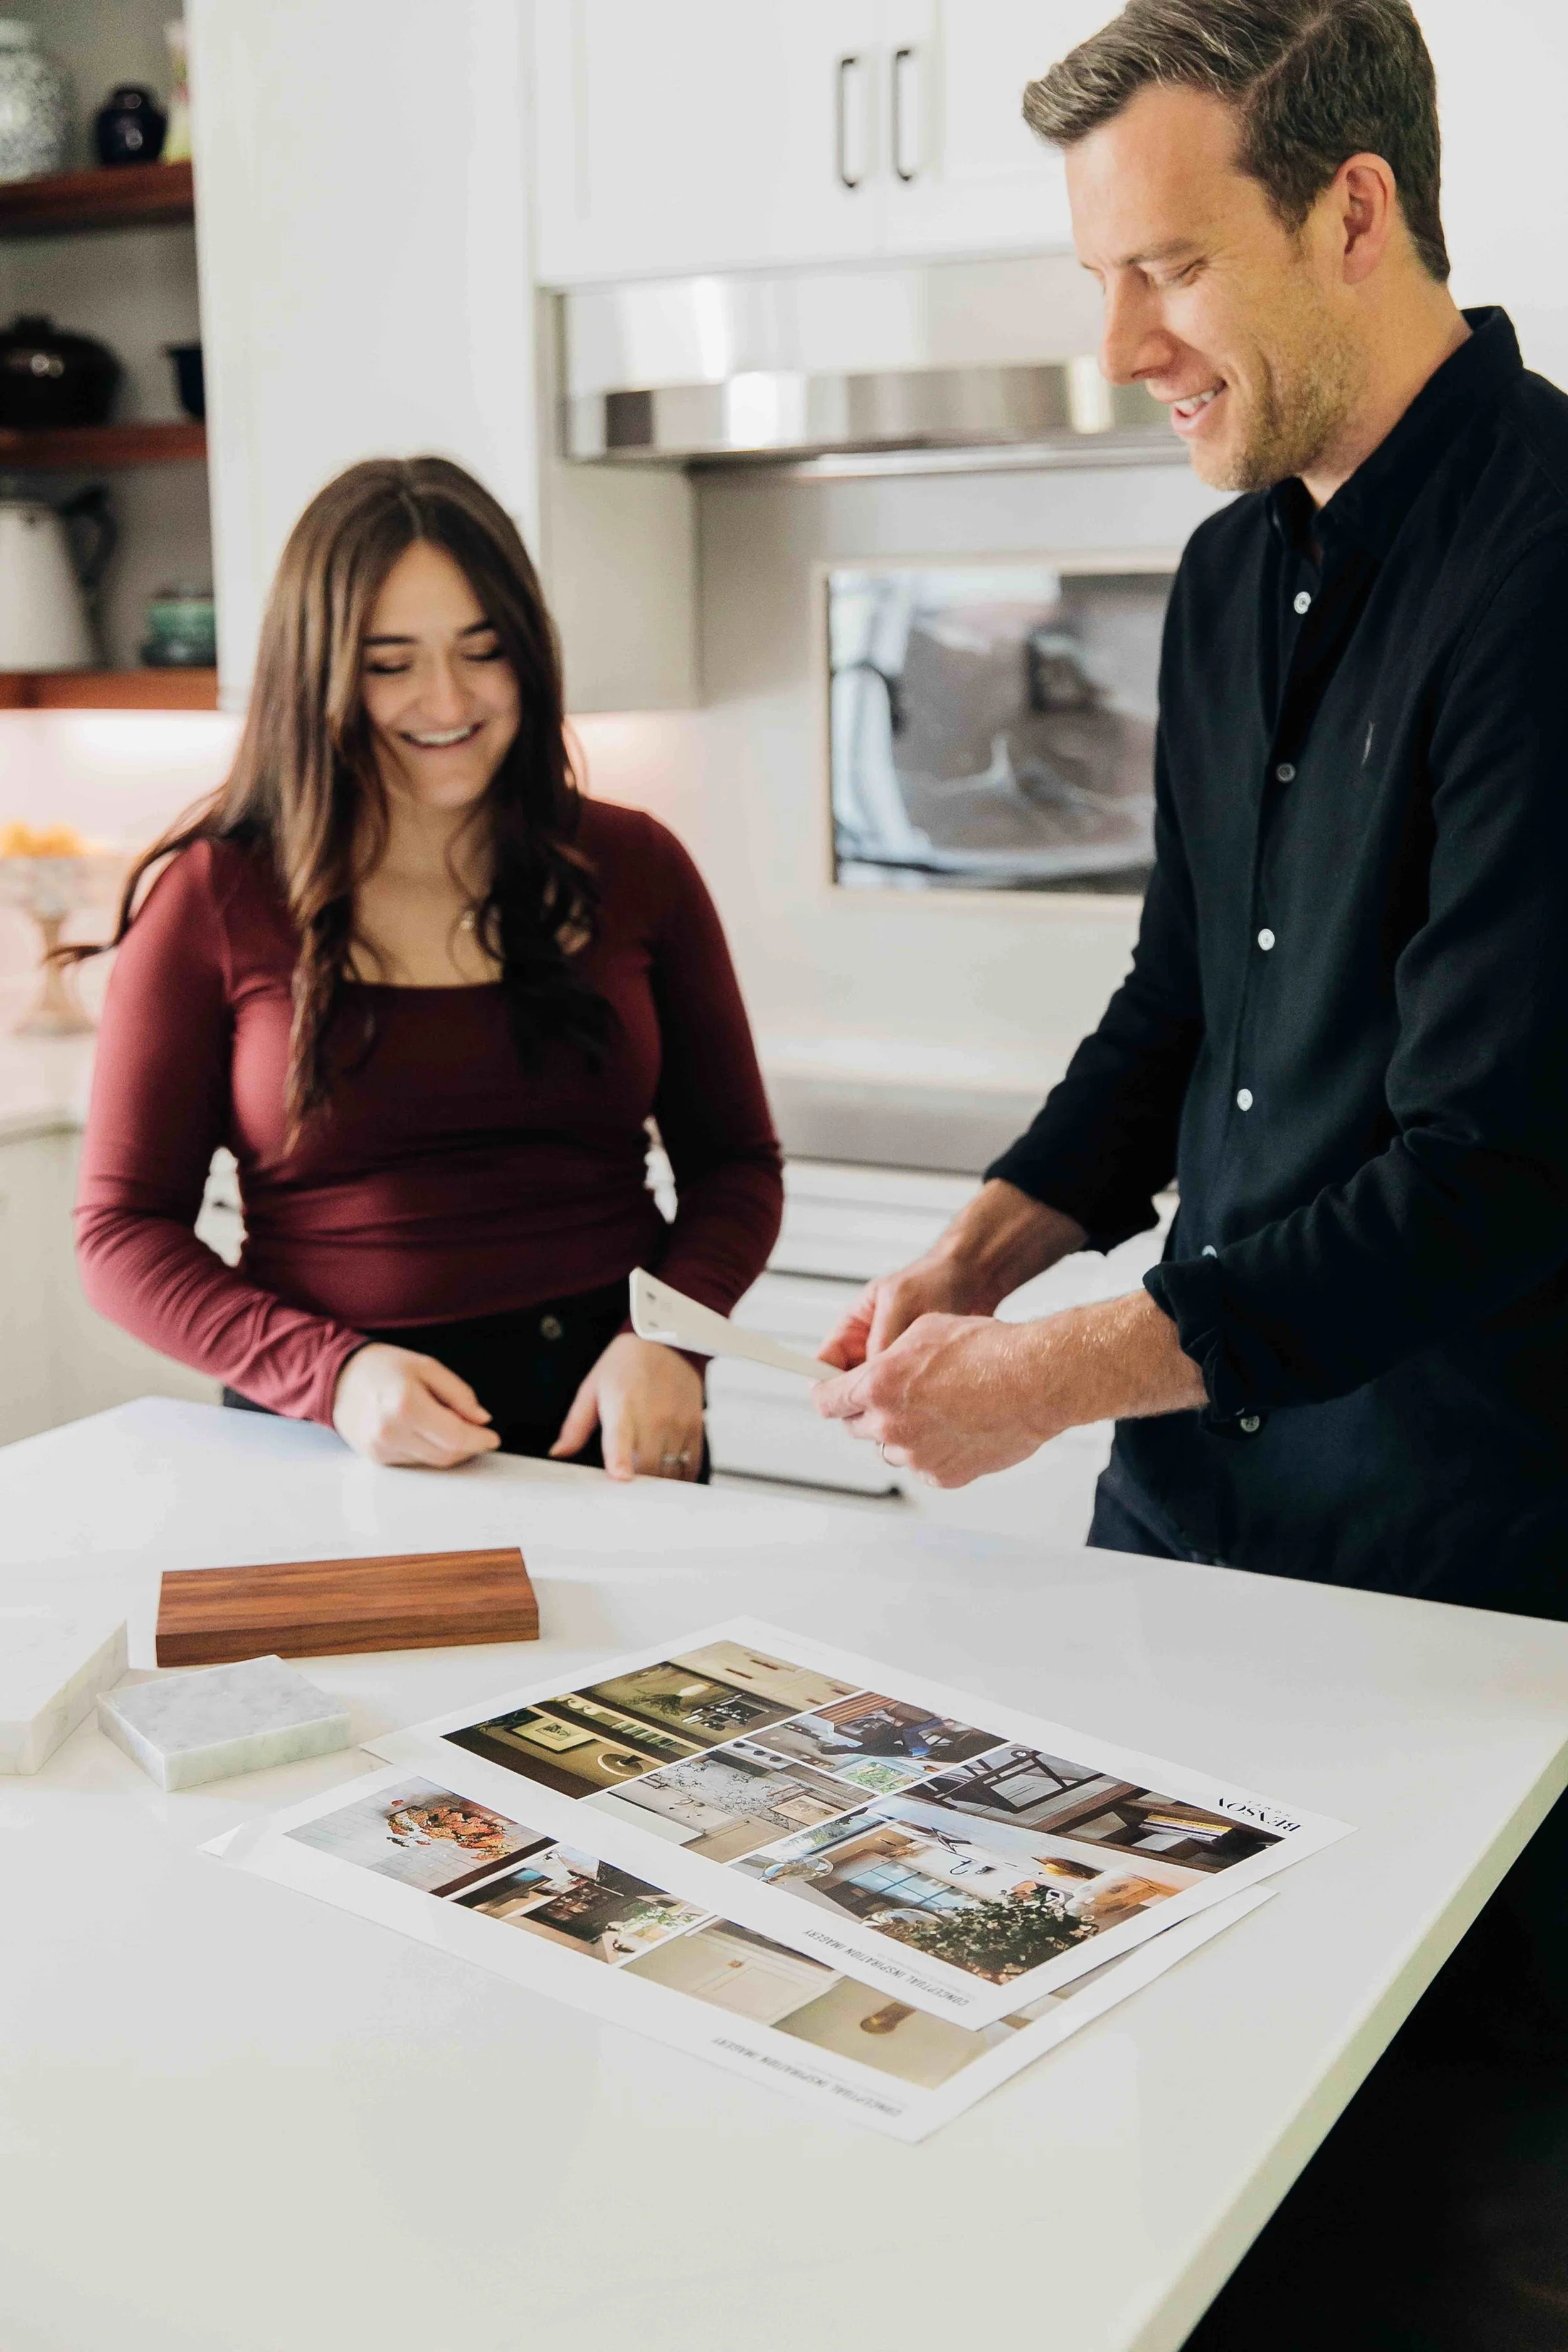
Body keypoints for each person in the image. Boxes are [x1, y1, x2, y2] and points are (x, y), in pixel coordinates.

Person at [813, 6, 1568, 2339]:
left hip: (1459, 1589)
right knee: (1178, 2220)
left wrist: (1054, 1379)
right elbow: (1181, 1003)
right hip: (1187, 1564)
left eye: (1168, 268)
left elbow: (1492, 1172)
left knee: (1424, 2247)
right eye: (1101, 279)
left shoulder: (1552, 561)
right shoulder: (1238, 567)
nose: (1122, 345)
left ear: (1354, 210)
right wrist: (987, 1244)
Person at [75, 456, 781, 1478]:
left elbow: (737, 1166)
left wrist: (673, 1340)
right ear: (316, 674)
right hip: (331, 1440)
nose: (447, 698)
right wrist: (334, 1375)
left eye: (482, 650)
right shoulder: (215, 899)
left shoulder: (637, 865)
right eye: (389, 663)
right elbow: (121, 1232)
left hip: (613, 1430)